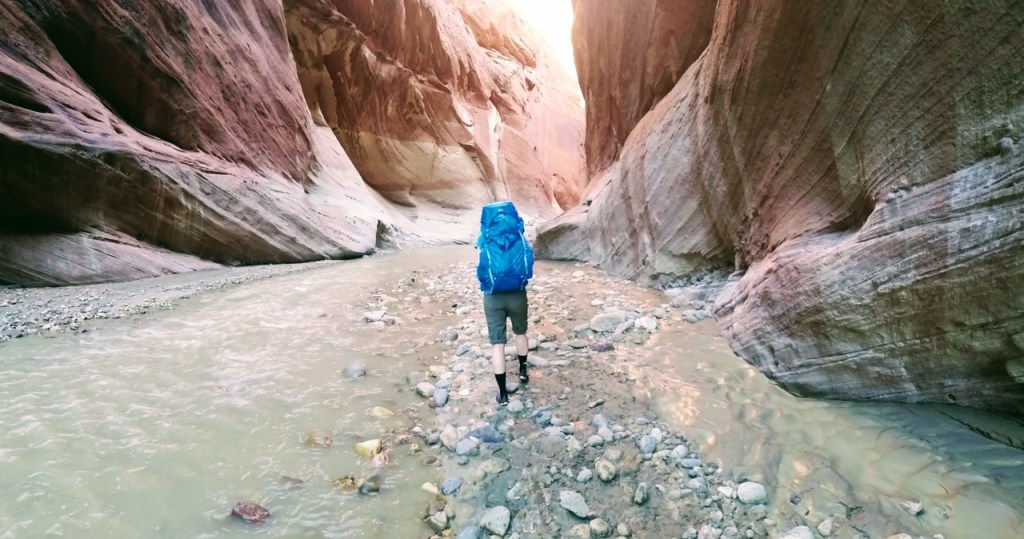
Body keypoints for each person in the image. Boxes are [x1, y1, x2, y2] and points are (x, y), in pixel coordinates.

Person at [475, 201, 534, 406]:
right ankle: (523, 371)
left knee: (497, 345)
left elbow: (480, 268)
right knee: (520, 333)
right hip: (517, 294)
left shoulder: (484, 238)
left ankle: (503, 394)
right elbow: (529, 264)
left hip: (493, 296)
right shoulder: (519, 236)